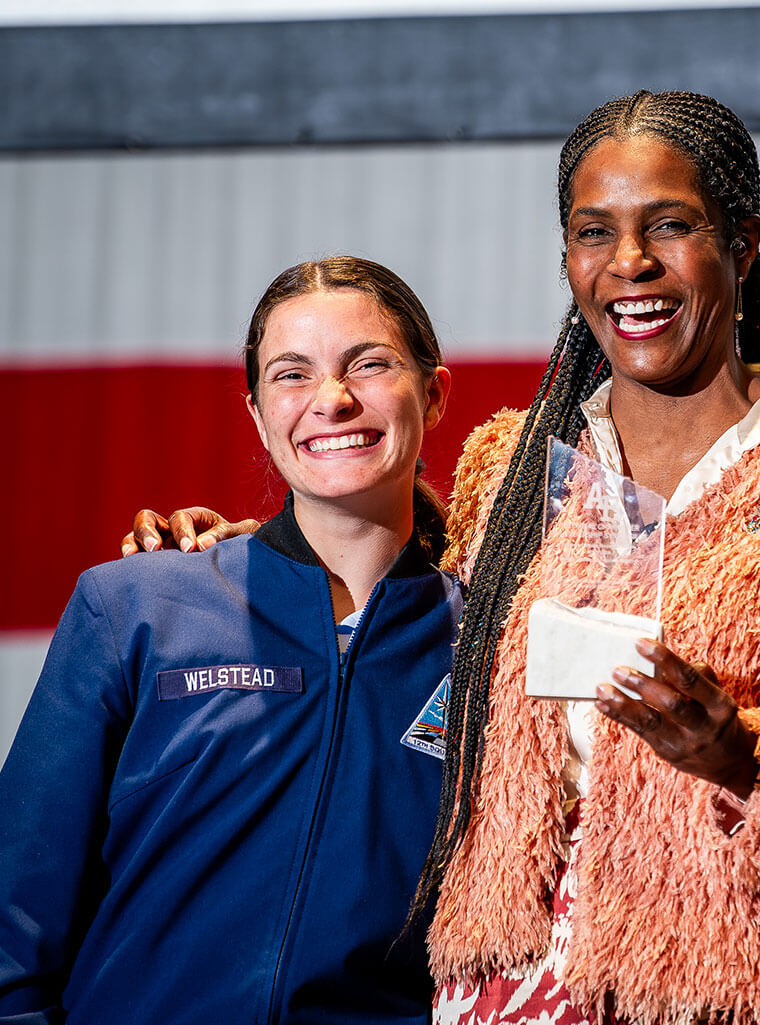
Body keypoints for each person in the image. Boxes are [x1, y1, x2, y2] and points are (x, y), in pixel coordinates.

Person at [125, 91, 760, 1025]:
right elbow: (403, 591)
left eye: (670, 225)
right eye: (594, 231)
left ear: (742, 240)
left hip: (725, 997)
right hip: (499, 992)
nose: (630, 263)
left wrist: (743, 759)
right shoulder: (514, 467)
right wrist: (251, 556)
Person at [0, 256, 460, 1023]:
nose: (333, 400)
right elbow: (16, 921)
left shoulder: (491, 652)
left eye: (369, 364)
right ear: (255, 413)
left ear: (436, 393)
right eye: (292, 375)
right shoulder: (135, 607)